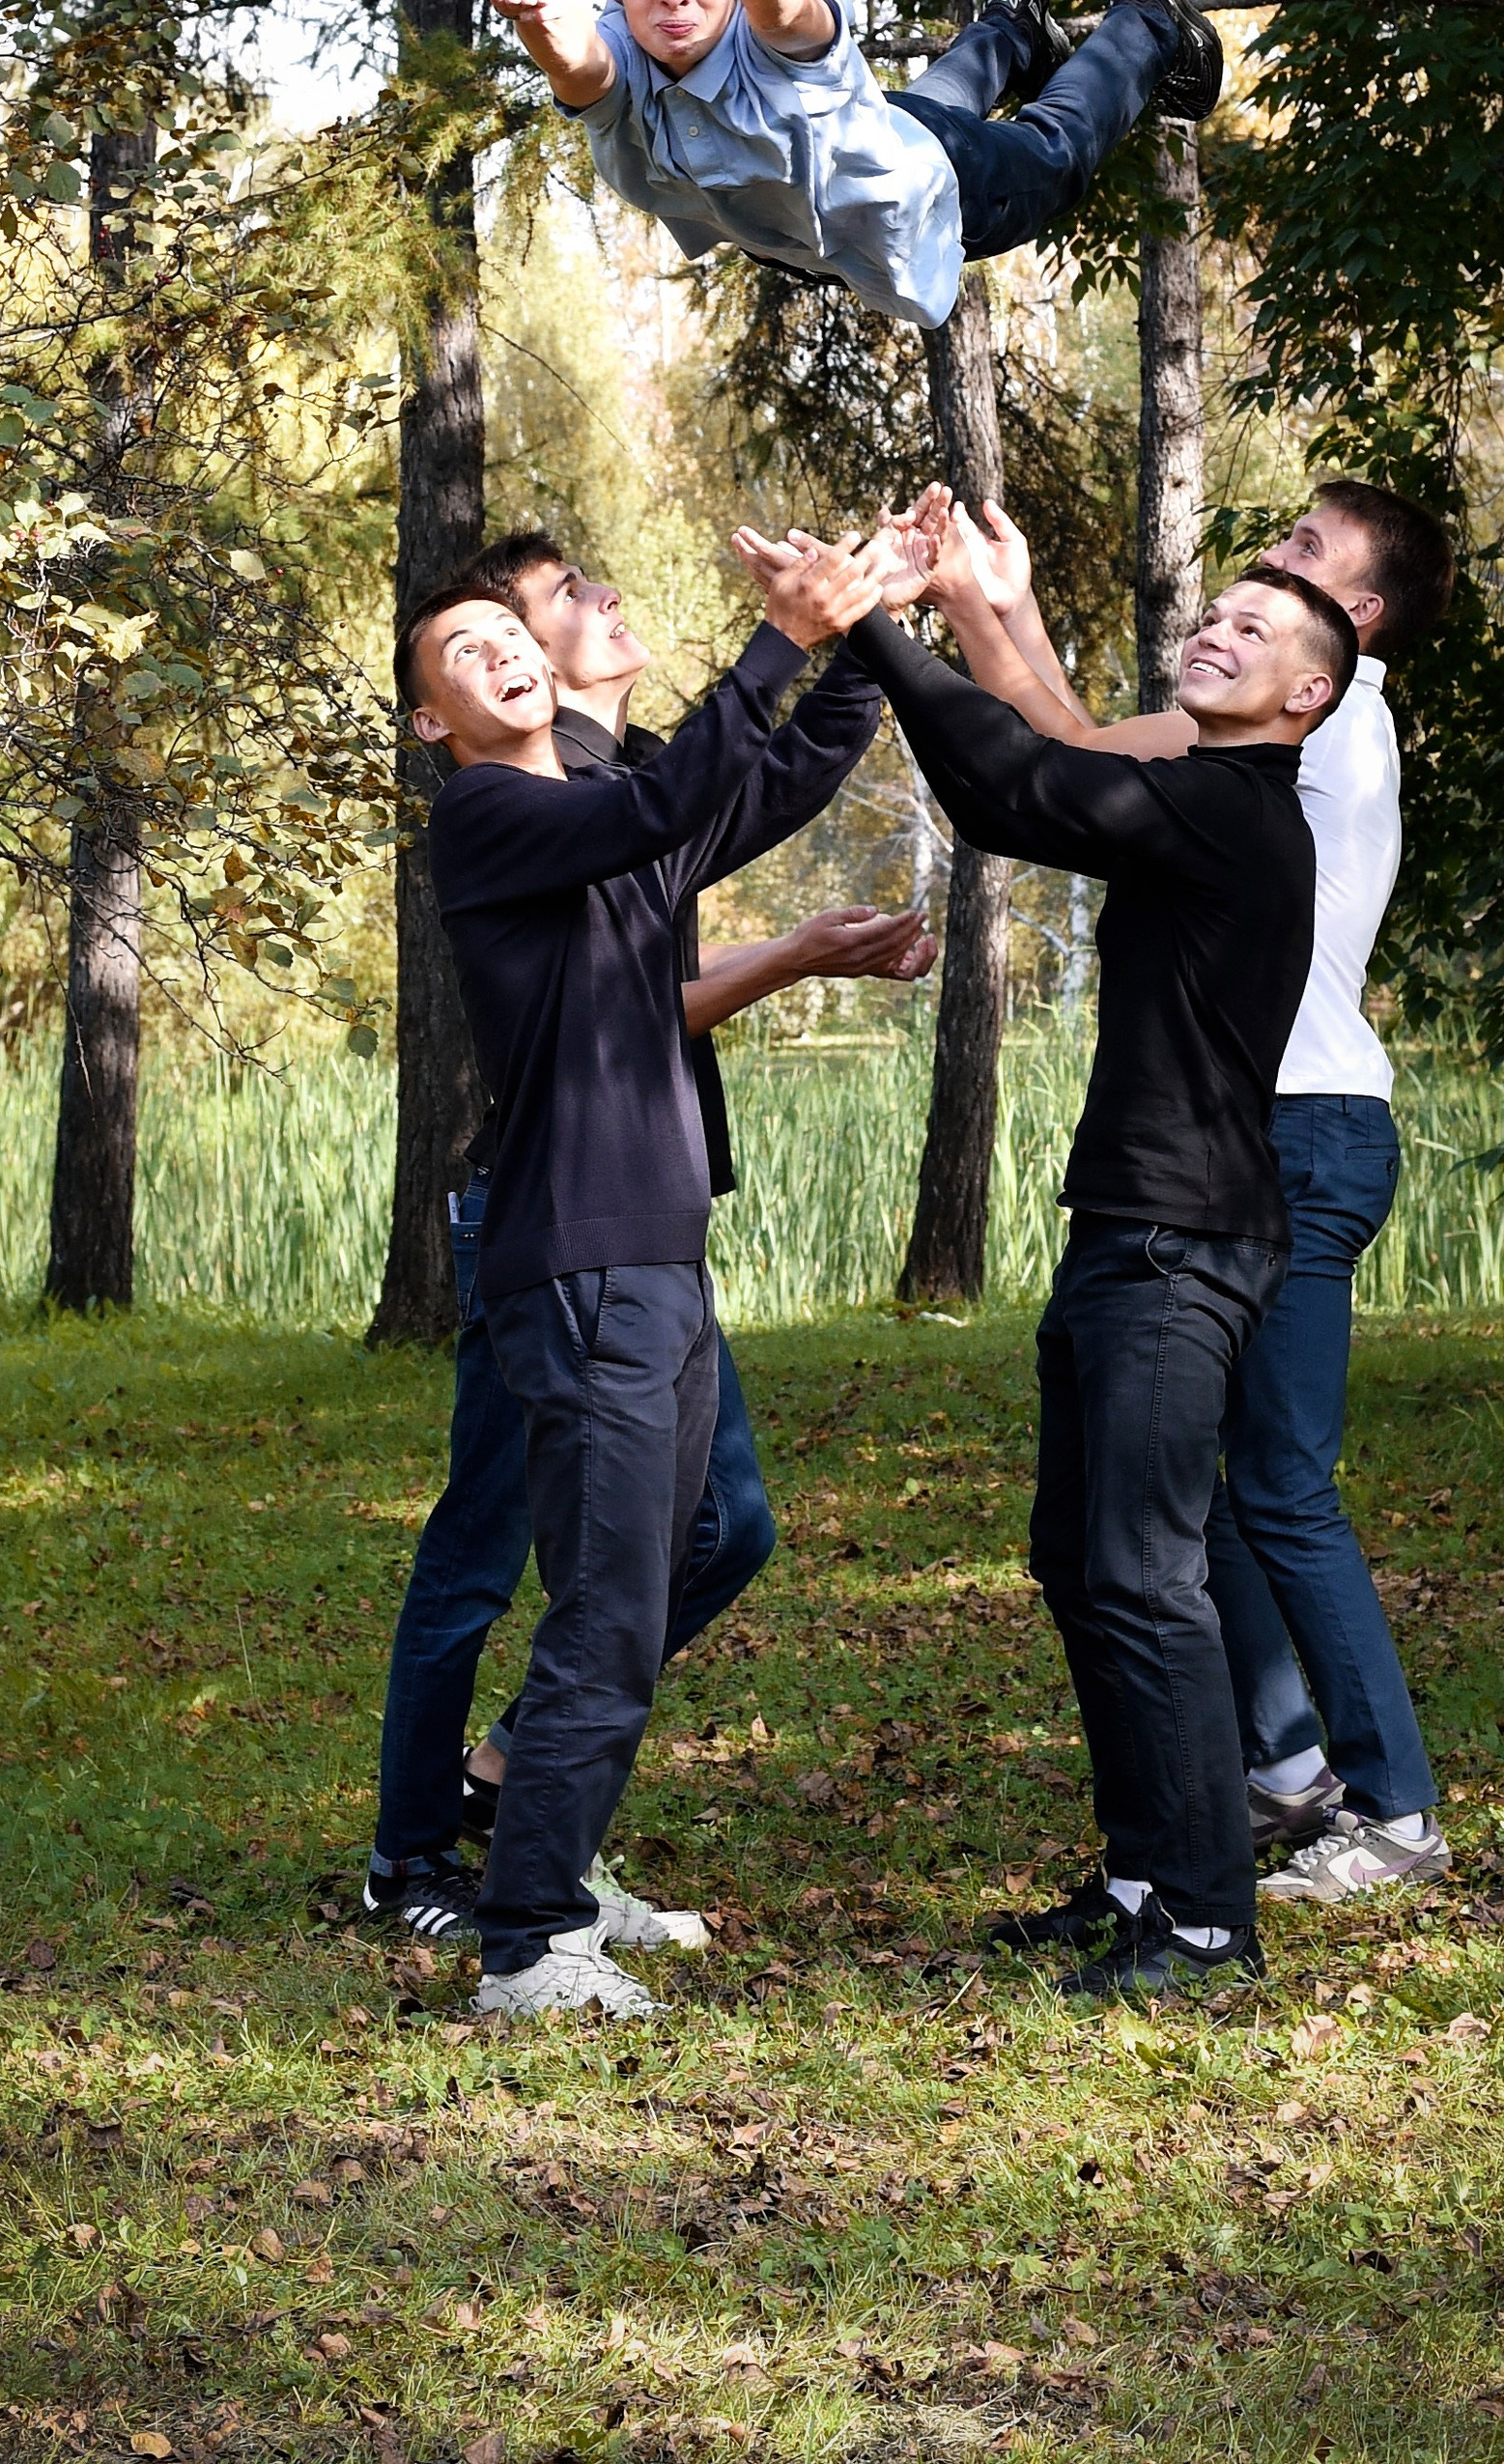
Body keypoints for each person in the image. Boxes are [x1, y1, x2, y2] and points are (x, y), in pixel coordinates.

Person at [739, 526, 1351, 2003]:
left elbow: (1011, 788)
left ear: (1309, 698)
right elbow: (1027, 765)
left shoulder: (1240, 812)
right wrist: (957, 614)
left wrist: (871, 628)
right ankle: (1148, 1877)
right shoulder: (1198, 794)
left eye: (1255, 633)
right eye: (1213, 616)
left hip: (1181, 1243)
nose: (1215, 634)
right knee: (1085, 1564)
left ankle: (1207, 1924)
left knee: (1145, 1572)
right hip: (1130, 1232)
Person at [360, 528, 933, 1946]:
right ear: (436, 716)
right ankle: (522, 1920)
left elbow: (782, 775)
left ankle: (550, 1867)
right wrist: (785, 636)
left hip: (655, 1254)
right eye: (470, 647)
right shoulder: (489, 813)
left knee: (663, 1566)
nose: (507, 645)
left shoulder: (607, 811)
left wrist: (859, 622)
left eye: (511, 627)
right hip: (581, 1256)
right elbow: (677, 789)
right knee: (588, 1595)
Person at [906, 478, 1460, 1904]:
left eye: (1303, 557)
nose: (1266, 562)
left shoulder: (1332, 728)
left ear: (1358, 625)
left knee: (1276, 1485)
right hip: (1259, 1127)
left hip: (1288, 1126)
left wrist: (965, 610)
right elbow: (1080, 754)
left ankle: (1389, 1808)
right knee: (1191, 1488)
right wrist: (1000, 604)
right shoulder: (1288, 715)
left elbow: (1063, 760)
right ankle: (1276, 1770)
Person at [481, 0, 1224, 332]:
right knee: (917, 113)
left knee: (1054, 151)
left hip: (940, 190)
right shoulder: (617, 46)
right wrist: (540, 17)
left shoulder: (768, 25)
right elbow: (578, 65)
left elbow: (783, 7)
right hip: (868, 152)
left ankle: (1147, 21)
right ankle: (1015, 25)